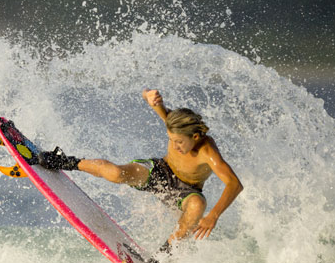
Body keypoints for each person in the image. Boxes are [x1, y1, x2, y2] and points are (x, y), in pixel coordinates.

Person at [38, 89, 243, 253]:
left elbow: (234, 184)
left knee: (198, 204)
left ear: (196, 137)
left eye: (179, 142)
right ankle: (65, 161)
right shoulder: (176, 126)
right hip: (160, 171)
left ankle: (164, 257)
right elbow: (151, 99)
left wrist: (214, 216)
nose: (176, 146)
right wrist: (150, 96)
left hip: (186, 191)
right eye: (172, 140)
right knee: (118, 173)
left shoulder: (207, 151)